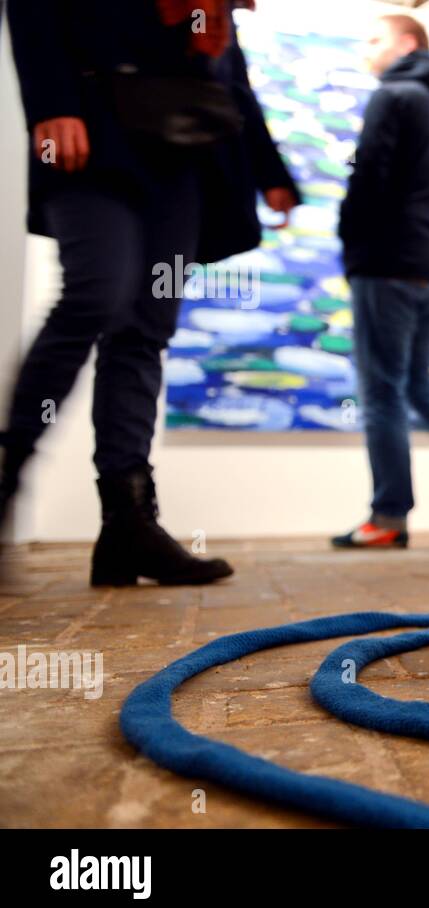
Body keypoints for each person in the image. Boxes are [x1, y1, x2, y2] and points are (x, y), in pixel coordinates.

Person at [0, 0, 299, 585]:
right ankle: (6, 482)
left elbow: (228, 69)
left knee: (144, 329)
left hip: (183, 150)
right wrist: (52, 105)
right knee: (95, 296)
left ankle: (128, 525)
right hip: (92, 126)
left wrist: (270, 170)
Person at [331, 13, 429, 550]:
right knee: (419, 387)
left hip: (385, 263)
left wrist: (354, 245)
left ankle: (389, 517)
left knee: (382, 393)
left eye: (373, 38)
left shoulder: (393, 95)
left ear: (407, 43)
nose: (365, 49)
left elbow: (369, 175)